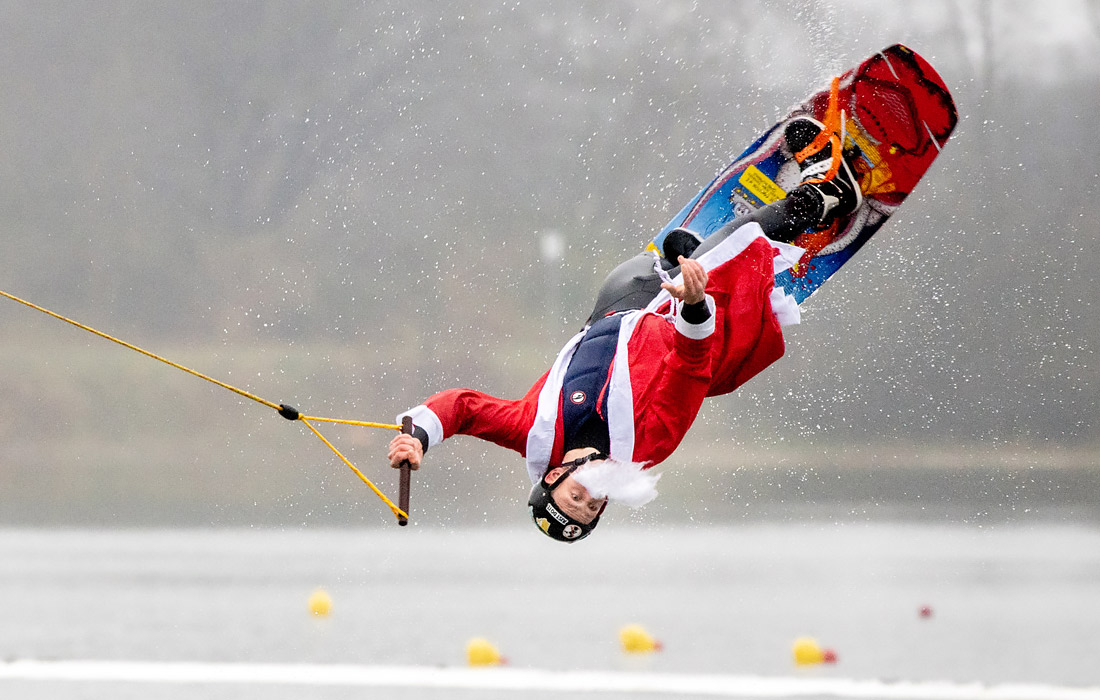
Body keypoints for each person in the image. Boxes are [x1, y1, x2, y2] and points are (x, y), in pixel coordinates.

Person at [387, 116, 863, 542]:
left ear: (552, 478)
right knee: (733, 248)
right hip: (693, 331)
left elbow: (462, 409)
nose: (590, 498)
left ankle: (688, 255)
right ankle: (827, 197)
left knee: (631, 270)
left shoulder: (532, 431)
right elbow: (691, 366)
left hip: (622, 311)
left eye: (576, 498)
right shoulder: (646, 446)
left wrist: (420, 437)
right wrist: (695, 306)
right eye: (594, 508)